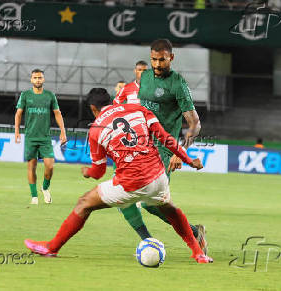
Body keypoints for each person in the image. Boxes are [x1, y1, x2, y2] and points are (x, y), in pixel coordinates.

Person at [24, 88, 213, 264]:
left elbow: (98, 172)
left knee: (84, 203)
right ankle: (198, 253)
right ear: (112, 101)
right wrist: (189, 160)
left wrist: (87, 173)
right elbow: (165, 137)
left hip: (130, 183)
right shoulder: (138, 110)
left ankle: (52, 247)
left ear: (92, 108)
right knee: (170, 209)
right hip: (158, 177)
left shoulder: (96, 128)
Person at [111, 47, 207, 254]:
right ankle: (182, 235)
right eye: (153, 59)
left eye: (161, 60)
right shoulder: (145, 77)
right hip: (138, 146)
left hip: (164, 150)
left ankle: (193, 235)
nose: (156, 65)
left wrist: (178, 152)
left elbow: (195, 124)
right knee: (122, 195)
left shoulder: (177, 84)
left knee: (150, 203)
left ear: (171, 58)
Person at [14, 69, 67, 205]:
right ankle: (34, 196)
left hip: (45, 138)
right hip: (31, 137)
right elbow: (18, 114)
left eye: (40, 77)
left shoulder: (50, 95)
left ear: (43, 79)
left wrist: (63, 131)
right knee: (31, 166)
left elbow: (57, 113)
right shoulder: (25, 95)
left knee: (50, 166)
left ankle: (45, 187)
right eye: (35, 77)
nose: (38, 80)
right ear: (31, 80)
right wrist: (17, 132)